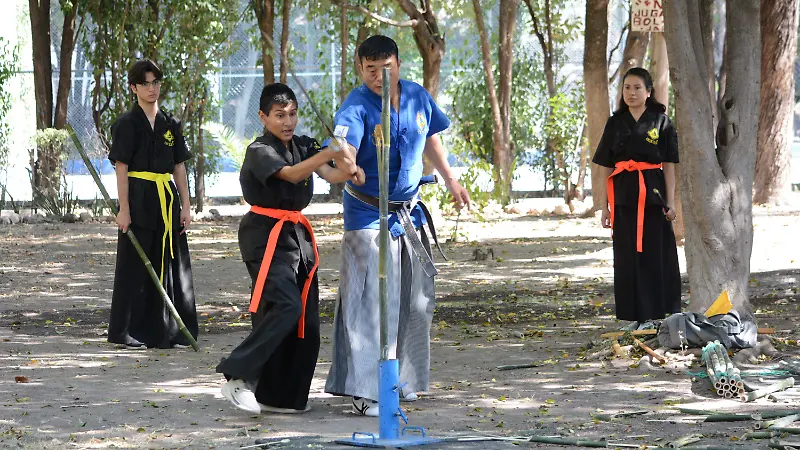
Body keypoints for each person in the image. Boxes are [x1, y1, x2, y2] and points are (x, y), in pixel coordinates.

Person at [323, 35, 471, 417]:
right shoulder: (355, 106)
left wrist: (451, 179)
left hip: (409, 214)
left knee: (416, 301)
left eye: (385, 68)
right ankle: (366, 389)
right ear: (360, 68)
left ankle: (403, 378)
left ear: (398, 65)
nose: (378, 76)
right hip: (367, 216)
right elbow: (343, 151)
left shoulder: (418, 96)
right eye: (370, 69)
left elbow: (430, 138)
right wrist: (347, 166)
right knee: (372, 302)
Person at [217, 83, 365, 414]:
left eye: (293, 114)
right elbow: (293, 174)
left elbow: (332, 173)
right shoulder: (259, 150)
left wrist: (349, 163)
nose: (288, 122)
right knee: (285, 306)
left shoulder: (303, 144)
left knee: (306, 322)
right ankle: (237, 374)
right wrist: (327, 152)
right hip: (264, 236)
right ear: (263, 117)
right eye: (280, 115)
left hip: (297, 237)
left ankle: (281, 397)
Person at [107, 59, 199, 350]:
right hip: (138, 196)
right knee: (134, 264)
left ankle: (172, 330)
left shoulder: (171, 123)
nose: (152, 89)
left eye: (156, 82)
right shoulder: (126, 124)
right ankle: (126, 331)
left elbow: (179, 167)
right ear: (134, 87)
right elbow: (121, 167)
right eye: (145, 83)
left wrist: (186, 205)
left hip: (166, 197)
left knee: (172, 261)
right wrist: (124, 209)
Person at [592, 67, 681, 331]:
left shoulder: (661, 121)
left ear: (649, 91)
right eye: (627, 88)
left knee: (656, 254)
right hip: (623, 199)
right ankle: (635, 316)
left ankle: (657, 314)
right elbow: (605, 166)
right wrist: (604, 206)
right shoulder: (615, 122)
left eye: (637, 88)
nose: (631, 93)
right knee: (627, 256)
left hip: (654, 199)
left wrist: (671, 202)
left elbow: (669, 164)